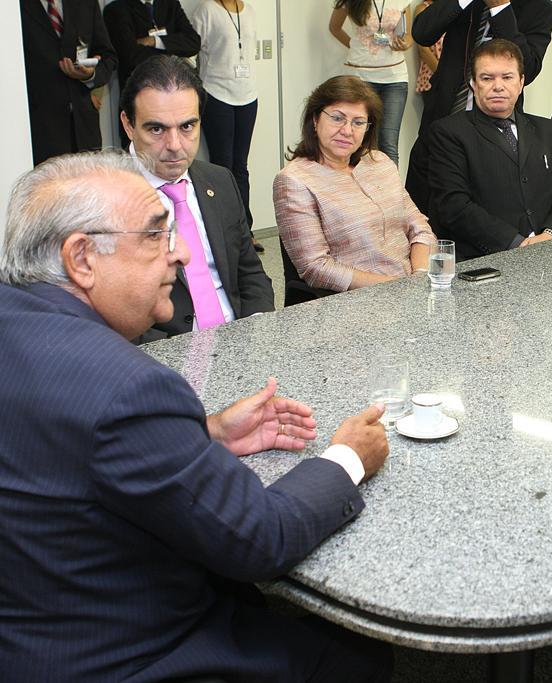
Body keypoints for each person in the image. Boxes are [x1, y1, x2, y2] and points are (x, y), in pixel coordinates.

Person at [0, 150, 394, 682]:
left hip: (31, 627)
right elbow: (261, 538)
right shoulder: (128, 387)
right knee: (357, 656)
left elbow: (64, 437)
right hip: (123, 651)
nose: (183, 253)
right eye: (157, 234)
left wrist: (203, 432)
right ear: (83, 258)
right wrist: (349, 456)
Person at [119, 54, 274, 340]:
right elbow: (105, 316)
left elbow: (250, 273)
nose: (175, 146)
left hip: (239, 340)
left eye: (187, 126)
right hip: (165, 358)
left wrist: (256, 330)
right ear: (129, 125)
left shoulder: (220, 181)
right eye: (156, 129)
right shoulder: (103, 198)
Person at [273, 76, 436, 292]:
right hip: (356, 301)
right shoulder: (294, 180)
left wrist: (419, 276)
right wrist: (398, 288)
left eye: (358, 122)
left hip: (412, 289)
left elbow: (420, 228)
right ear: (315, 119)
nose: (347, 131)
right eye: (337, 118)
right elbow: (316, 268)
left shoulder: (379, 162)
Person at [428, 39, 552, 260]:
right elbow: (454, 206)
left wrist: (549, 237)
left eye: (507, 77)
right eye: (487, 78)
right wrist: (517, 244)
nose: (498, 86)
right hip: (484, 260)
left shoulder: (550, 130)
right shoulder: (448, 133)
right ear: (473, 83)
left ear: (521, 82)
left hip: (550, 253)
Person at [406, 0, 552, 214]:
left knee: (481, 212)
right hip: (442, 118)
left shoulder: (539, 8)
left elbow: (528, 68)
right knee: (424, 208)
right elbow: (422, 32)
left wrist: (500, 8)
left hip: (496, 134)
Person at [190, 0, 262, 250]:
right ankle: (222, 231)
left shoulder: (249, 10)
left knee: (241, 166)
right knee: (222, 166)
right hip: (216, 94)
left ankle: (245, 231)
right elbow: (190, 51)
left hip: (248, 96)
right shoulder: (207, 10)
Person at [19, 0, 118, 166]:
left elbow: (108, 57)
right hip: (38, 133)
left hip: (85, 131)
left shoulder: (86, 4)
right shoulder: (13, 7)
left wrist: (90, 75)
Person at [330, 0, 414, 167]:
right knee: (362, 143)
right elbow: (334, 28)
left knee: (388, 143)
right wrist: (355, 47)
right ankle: (361, 190)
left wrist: (405, 44)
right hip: (361, 77)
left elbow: (410, 36)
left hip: (395, 78)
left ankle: (390, 192)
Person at [104, 0, 200, 146]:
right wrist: (173, 54)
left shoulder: (169, 4)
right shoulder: (116, 10)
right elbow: (130, 56)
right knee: (138, 162)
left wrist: (155, 41)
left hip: (175, 99)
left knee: (177, 152)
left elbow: (193, 43)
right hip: (141, 100)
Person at [414, 0, 444, 106]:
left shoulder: (452, 9)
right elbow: (423, 50)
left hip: (453, 77)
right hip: (431, 76)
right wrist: (442, 74)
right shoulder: (423, 9)